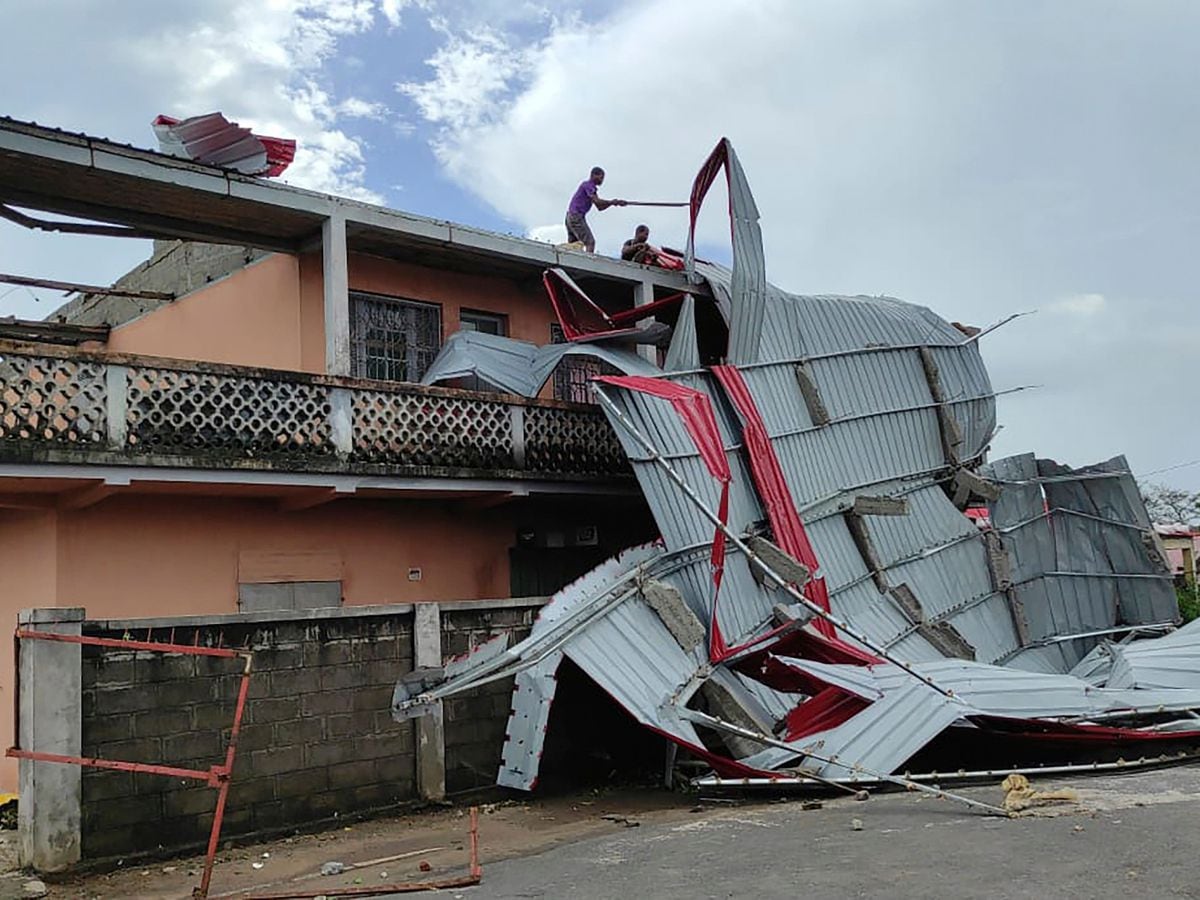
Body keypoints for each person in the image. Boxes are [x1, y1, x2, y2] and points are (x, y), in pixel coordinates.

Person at [565, 167, 625, 253]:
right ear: (594, 175)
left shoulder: (591, 189)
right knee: (590, 242)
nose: (602, 180)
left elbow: (600, 207)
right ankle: (586, 264)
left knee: (574, 245)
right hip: (576, 216)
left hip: (571, 217)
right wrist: (613, 202)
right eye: (601, 177)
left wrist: (614, 203)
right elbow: (597, 202)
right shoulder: (588, 185)